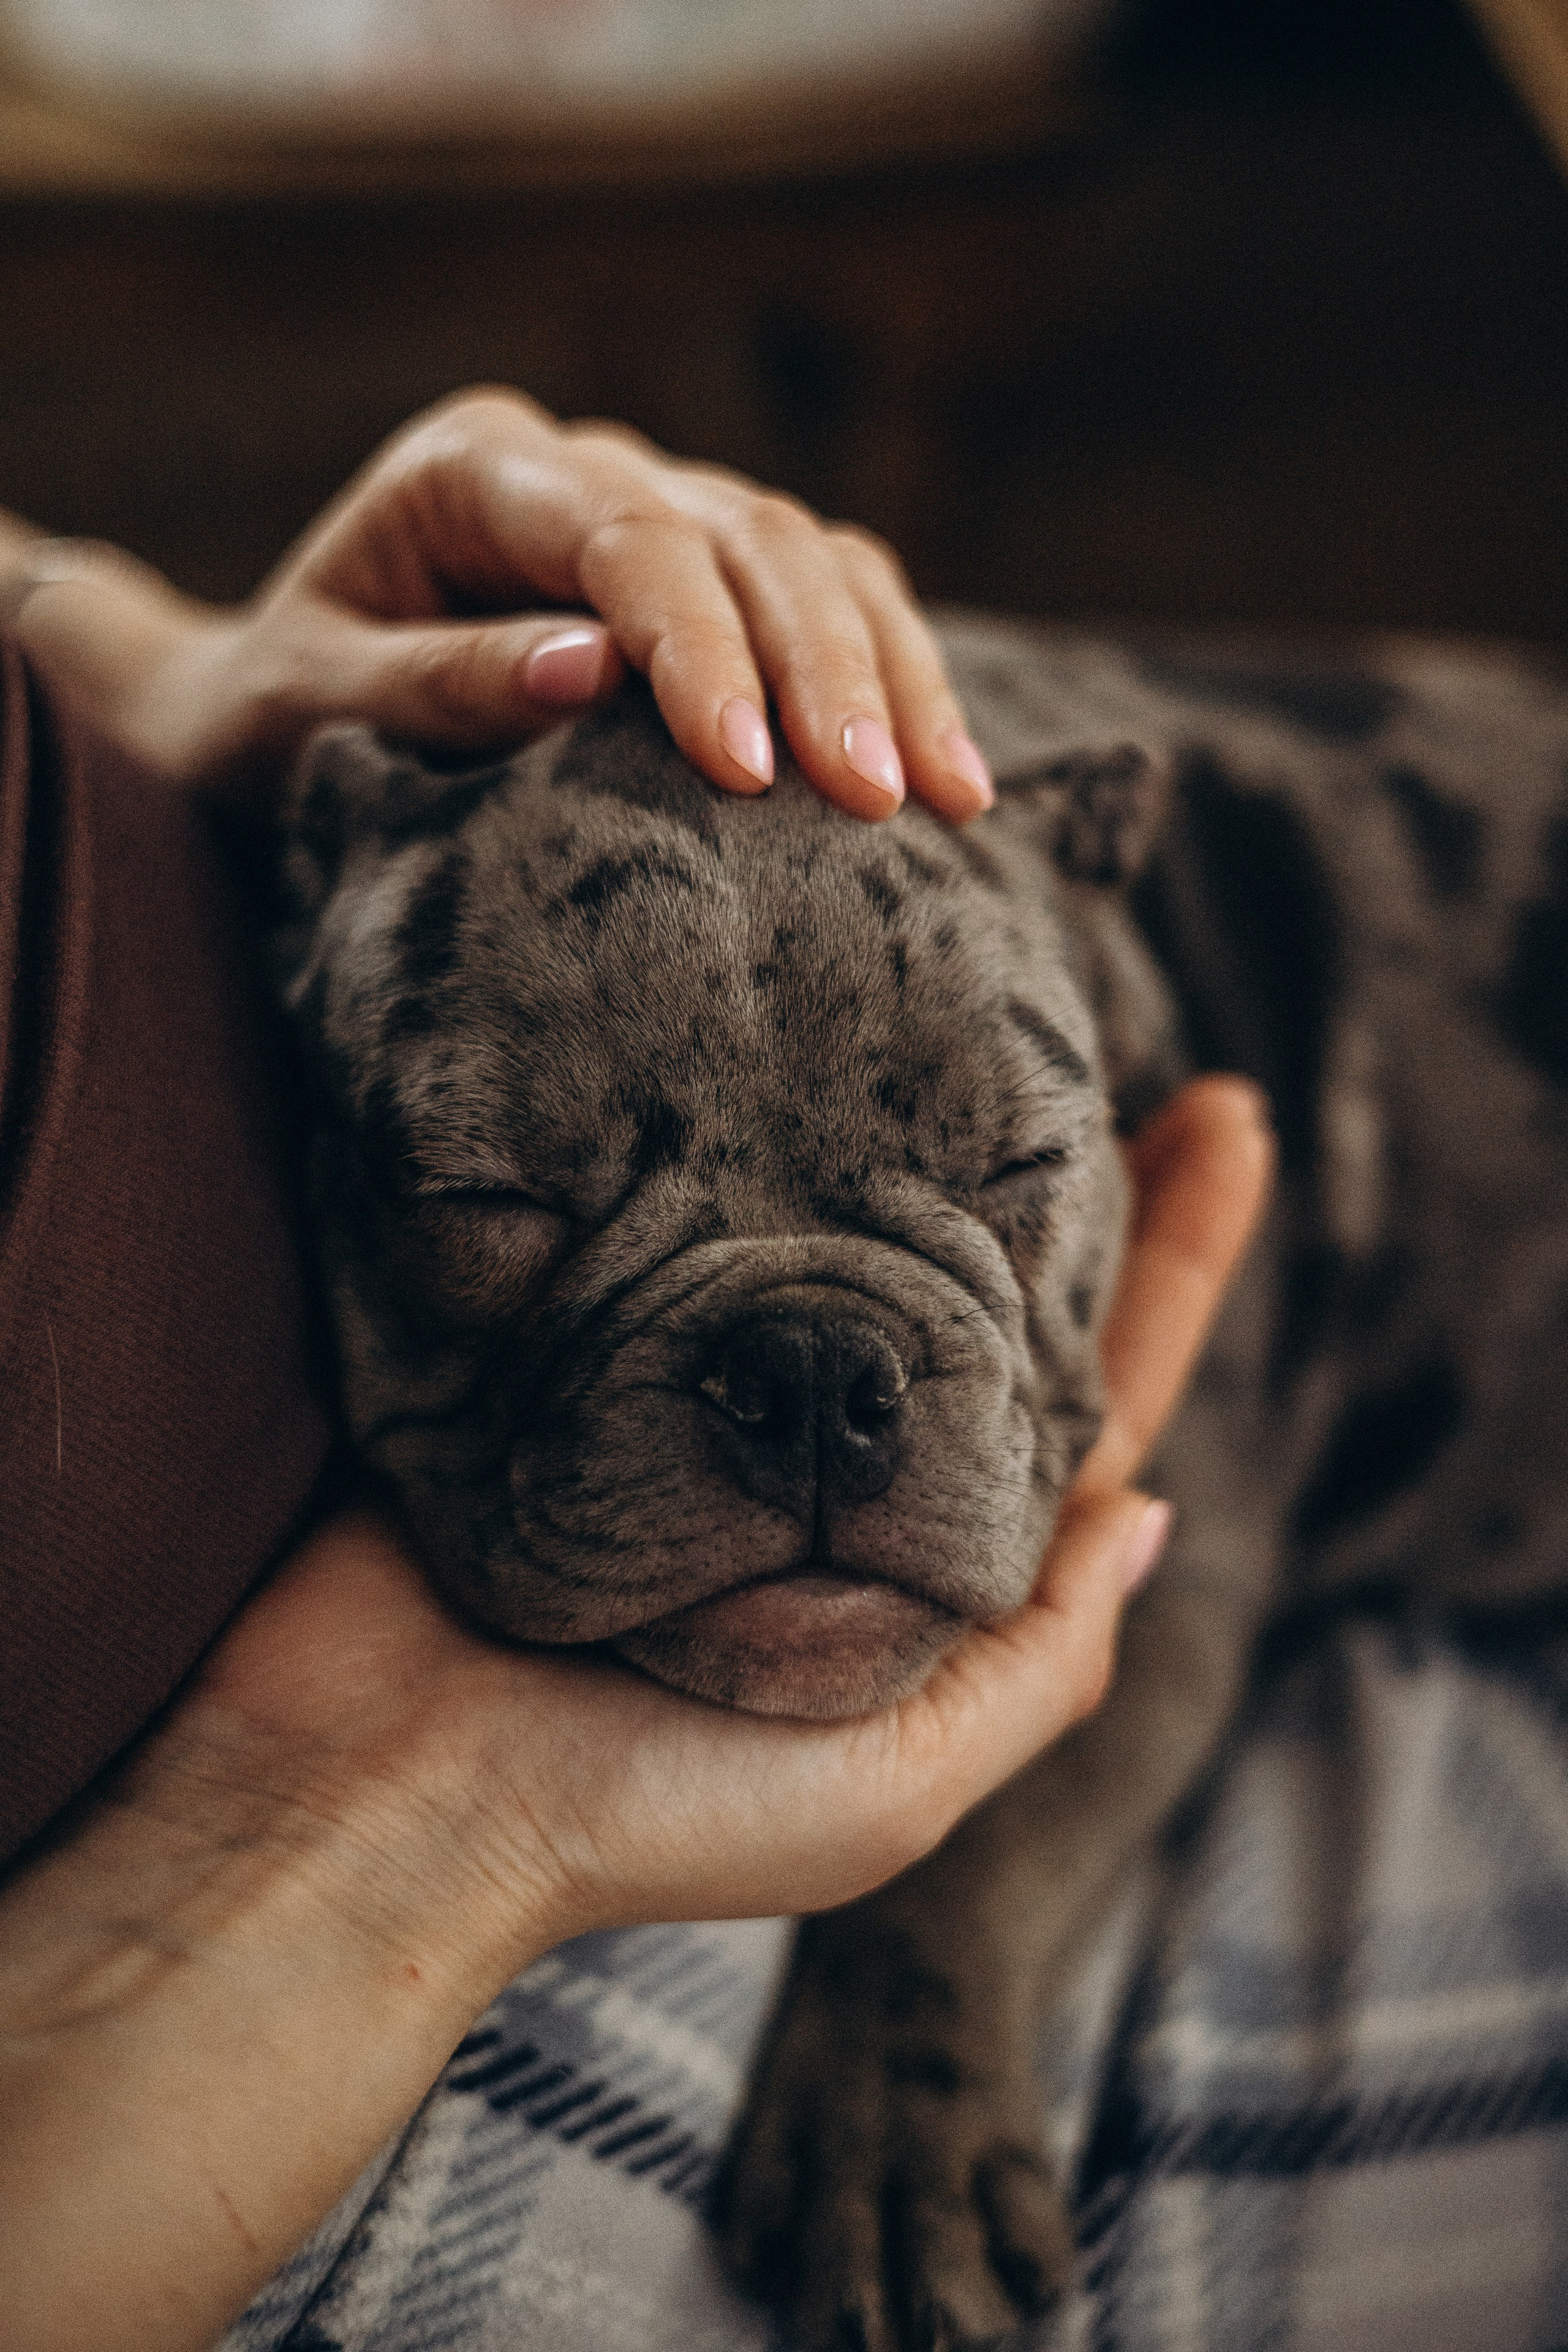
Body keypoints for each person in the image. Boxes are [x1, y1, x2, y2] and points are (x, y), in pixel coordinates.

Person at [0, 387, 1272, 2352]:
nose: (825, 1398)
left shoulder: (1084, 943)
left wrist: (117, 639)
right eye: (508, 1194)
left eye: (1008, 1172)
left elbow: (1208, 1503)